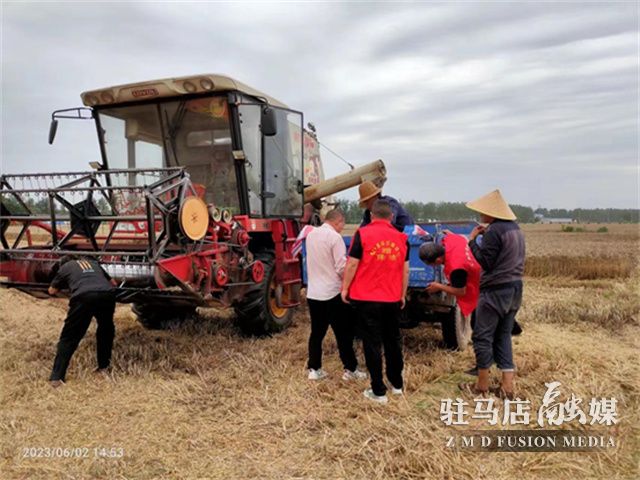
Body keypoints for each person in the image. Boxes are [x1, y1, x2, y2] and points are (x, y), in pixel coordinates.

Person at [341, 200, 410, 404]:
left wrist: (345, 288)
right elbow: (405, 270)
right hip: (391, 298)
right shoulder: (402, 238)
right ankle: (397, 385)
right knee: (393, 341)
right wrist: (402, 294)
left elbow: (352, 263)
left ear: (372, 216)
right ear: (391, 217)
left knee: (372, 343)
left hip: (367, 298)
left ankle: (378, 391)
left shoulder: (362, 234)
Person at [459, 189, 525, 400]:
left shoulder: (495, 232)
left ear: (491, 213)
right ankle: (507, 386)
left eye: (482, 212)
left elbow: (485, 262)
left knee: (482, 337)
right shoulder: (515, 229)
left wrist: (472, 241)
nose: (480, 215)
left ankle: (482, 386)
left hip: (495, 291)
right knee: (503, 335)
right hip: (515, 289)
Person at [305, 209, 367, 381]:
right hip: (332, 293)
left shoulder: (311, 235)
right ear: (338, 221)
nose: (342, 228)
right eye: (342, 225)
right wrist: (351, 282)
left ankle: (314, 369)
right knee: (343, 334)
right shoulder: (335, 238)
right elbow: (341, 267)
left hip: (314, 293)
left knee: (316, 333)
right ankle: (350, 370)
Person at [48, 255, 117, 387]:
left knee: (69, 336)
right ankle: (104, 368)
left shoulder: (65, 267)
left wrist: (67, 284)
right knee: (105, 330)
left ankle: (56, 378)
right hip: (107, 295)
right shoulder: (93, 263)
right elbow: (113, 283)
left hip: (84, 297)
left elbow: (51, 291)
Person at [418, 231, 481, 327]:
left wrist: (439, 286)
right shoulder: (455, 240)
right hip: (484, 280)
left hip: (483, 292)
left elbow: (461, 291)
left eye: (431, 264)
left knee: (479, 328)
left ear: (438, 260)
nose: (432, 267)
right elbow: (450, 234)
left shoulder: (456, 268)